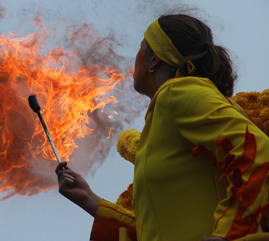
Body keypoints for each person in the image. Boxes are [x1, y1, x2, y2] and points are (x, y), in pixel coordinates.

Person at [56, 14, 269, 241]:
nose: (135, 58)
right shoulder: (167, 113)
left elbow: (256, 152)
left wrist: (226, 235)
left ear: (154, 59)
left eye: (141, 48)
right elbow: (159, 230)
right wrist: (90, 200)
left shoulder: (177, 92)